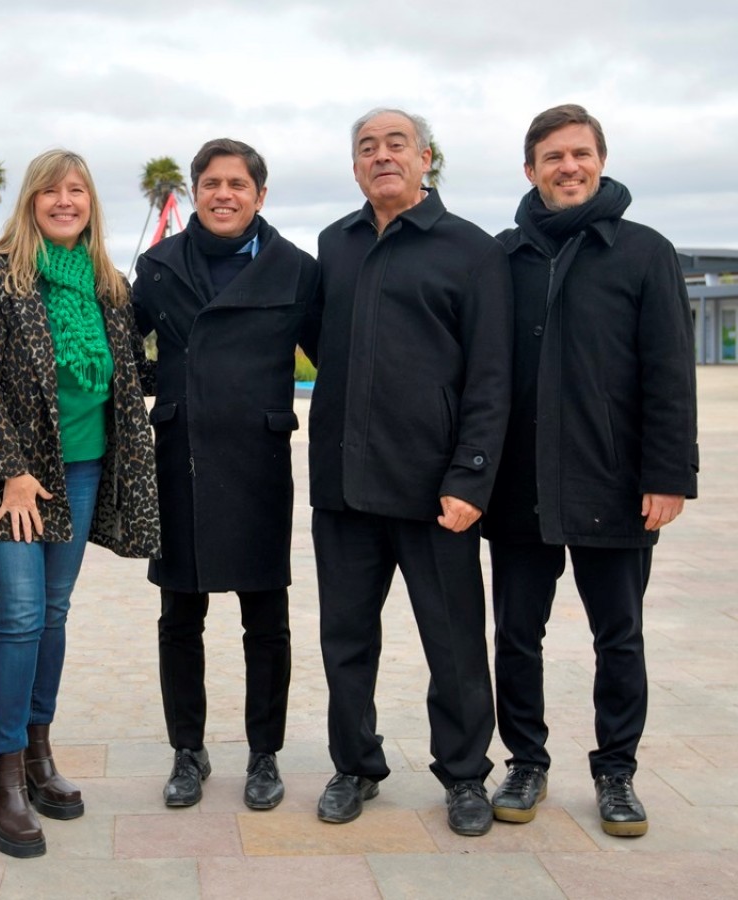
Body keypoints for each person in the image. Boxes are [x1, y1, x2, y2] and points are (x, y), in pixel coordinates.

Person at [484, 104, 698, 839]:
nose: (567, 167)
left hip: (615, 484)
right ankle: (525, 761)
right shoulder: (503, 256)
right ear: (530, 170)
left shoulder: (645, 252)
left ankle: (616, 772)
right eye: (552, 157)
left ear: (600, 160)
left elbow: (670, 374)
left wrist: (668, 474)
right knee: (516, 633)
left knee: (620, 635)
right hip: (518, 485)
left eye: (579, 153)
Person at [304, 108, 513, 837]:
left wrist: (471, 478)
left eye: (396, 145)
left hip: (437, 494)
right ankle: (354, 765)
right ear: (354, 165)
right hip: (343, 488)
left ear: (426, 158)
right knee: (346, 640)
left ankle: (463, 776)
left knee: (454, 643)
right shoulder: (335, 243)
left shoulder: (472, 251)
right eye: (367, 147)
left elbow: (492, 378)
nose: (381, 156)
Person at [0, 148, 160, 858]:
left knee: (53, 613)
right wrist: (11, 470)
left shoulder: (109, 282)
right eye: (51, 190)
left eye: (76, 189)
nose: (64, 200)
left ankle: (40, 750)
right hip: (15, 478)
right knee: (18, 615)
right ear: (30, 200)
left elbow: (127, 369)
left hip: (82, 469)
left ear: (91, 202)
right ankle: (6, 774)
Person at [131, 138, 319, 811]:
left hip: (260, 465)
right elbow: (124, 358)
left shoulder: (296, 269)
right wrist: (170, 391)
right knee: (179, 617)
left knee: (266, 620)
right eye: (211, 183)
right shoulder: (156, 268)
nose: (224, 195)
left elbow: (340, 361)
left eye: (238, 184)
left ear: (260, 195)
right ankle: (189, 750)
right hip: (181, 460)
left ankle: (263, 754)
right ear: (196, 190)